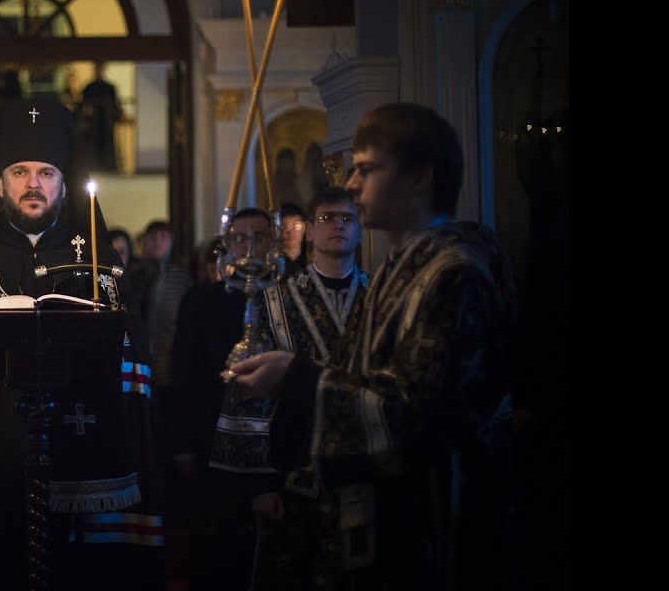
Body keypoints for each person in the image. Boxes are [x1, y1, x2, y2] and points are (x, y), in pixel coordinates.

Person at [230, 103, 516, 590]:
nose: (354, 185)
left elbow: (416, 421)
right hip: (379, 525)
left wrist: (296, 376)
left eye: (367, 169)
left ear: (419, 177)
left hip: (432, 529)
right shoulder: (393, 273)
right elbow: (359, 380)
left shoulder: (453, 276)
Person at [0, 99, 164, 591]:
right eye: (21, 171)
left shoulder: (102, 267)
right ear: (0, 182)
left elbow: (132, 378)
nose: (34, 184)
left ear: (64, 183)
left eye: (47, 172)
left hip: (85, 460)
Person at [212, 188, 370, 590]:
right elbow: (250, 393)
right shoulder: (274, 299)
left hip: (366, 467)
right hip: (294, 472)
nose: (338, 225)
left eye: (347, 219)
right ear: (310, 233)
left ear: (360, 231)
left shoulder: (378, 296)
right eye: (327, 218)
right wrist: (261, 485)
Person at [168, 207, 275, 590]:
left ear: (272, 244)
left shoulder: (285, 297)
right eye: (239, 237)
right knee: (215, 549)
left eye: (259, 237)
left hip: (272, 444)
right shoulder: (202, 300)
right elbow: (184, 372)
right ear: (226, 246)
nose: (249, 246)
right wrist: (182, 442)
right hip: (210, 438)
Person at [279, 202, 309, 277]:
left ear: (305, 227)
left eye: (297, 226)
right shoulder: (274, 264)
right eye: (285, 226)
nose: (291, 232)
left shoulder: (313, 261)